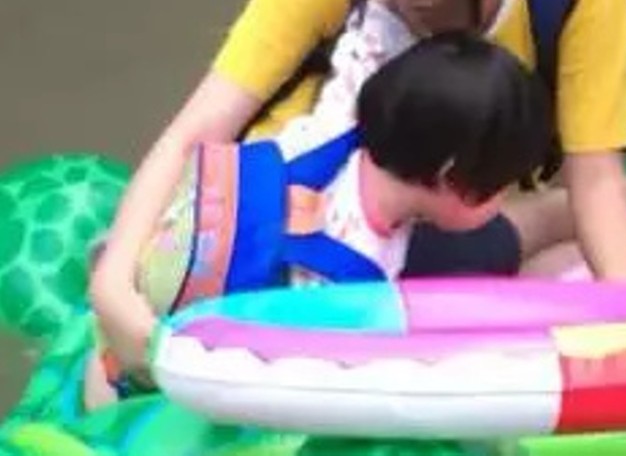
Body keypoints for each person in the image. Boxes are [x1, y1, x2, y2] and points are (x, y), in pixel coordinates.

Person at [90, 0, 626, 380]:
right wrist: (115, 281)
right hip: (304, 201)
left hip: (457, 200)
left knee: (545, 254)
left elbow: (596, 171)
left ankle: (621, 224)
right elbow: (200, 129)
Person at [88, 32, 554, 406]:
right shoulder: (355, 283)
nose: (504, 196)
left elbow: (364, 39)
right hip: (145, 387)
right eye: (502, 186)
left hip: (119, 327)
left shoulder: (337, 119)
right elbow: (317, 386)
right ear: (452, 176)